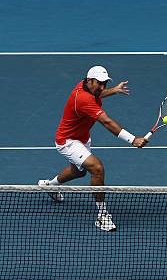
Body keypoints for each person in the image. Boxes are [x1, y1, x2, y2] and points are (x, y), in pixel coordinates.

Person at [38, 66, 148, 232]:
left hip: (82, 138)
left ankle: (50, 186)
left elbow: (98, 94)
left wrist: (114, 90)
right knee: (97, 168)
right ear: (90, 81)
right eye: (100, 83)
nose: (102, 87)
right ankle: (102, 215)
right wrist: (132, 139)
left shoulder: (86, 86)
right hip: (67, 141)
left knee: (79, 172)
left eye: (105, 83)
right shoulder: (83, 99)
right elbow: (107, 122)